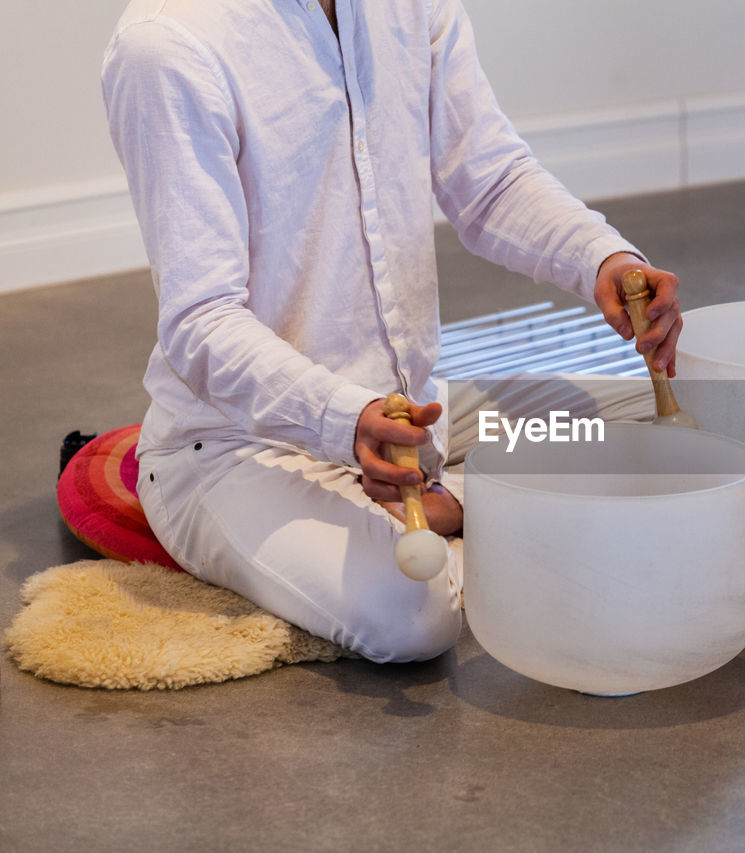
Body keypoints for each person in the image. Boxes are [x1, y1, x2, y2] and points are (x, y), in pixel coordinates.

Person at [102, 0, 683, 662]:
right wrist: (346, 420)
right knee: (413, 613)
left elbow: (489, 181)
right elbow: (200, 320)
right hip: (239, 448)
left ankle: (458, 505)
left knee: (667, 416)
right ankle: (509, 507)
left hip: (413, 418)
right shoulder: (167, 44)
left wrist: (604, 257)